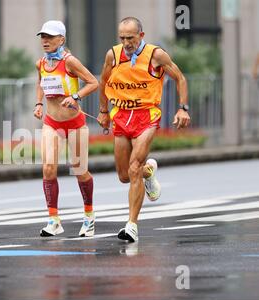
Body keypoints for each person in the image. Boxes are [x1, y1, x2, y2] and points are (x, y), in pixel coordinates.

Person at [97, 17, 191, 242]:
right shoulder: (113, 55)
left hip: (146, 116)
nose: (126, 42)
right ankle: (149, 171)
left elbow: (180, 78)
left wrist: (183, 108)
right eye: (122, 38)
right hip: (120, 115)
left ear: (141, 35)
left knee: (134, 166)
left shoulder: (156, 55)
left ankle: (132, 225)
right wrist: (102, 111)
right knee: (123, 175)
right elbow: (103, 81)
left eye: (130, 37)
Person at [34, 20, 99, 237]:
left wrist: (75, 96)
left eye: (50, 37)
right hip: (52, 122)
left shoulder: (70, 61)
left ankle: (89, 217)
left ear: (61, 39)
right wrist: (38, 104)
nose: (45, 41)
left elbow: (93, 82)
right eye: (43, 37)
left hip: (75, 123)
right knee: (48, 168)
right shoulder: (41, 63)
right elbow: (39, 83)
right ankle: (54, 220)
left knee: (79, 170)